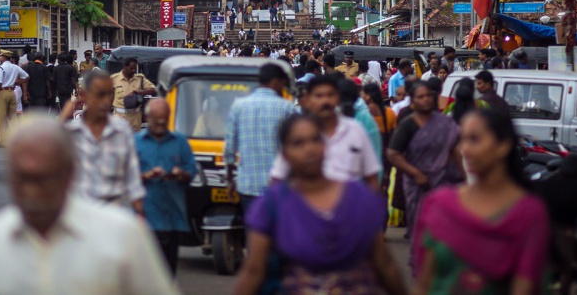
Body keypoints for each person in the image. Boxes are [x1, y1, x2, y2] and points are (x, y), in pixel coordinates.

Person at [0, 115, 178, 295]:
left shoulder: (123, 236)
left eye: (43, 178)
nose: (32, 191)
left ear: (69, 174)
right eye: (24, 178)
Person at [233, 114, 408, 295]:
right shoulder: (271, 205)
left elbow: (384, 263)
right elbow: (253, 271)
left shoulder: (359, 198)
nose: (309, 149)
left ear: (325, 145)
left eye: (315, 140)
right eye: (298, 143)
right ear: (285, 153)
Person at [413, 108, 551, 293]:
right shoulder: (439, 205)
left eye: (475, 139)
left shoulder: (528, 214)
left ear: (503, 145)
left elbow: (524, 287)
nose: (465, 149)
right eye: (462, 140)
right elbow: (423, 285)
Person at [387, 81, 464, 270]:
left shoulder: (445, 123)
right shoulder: (408, 125)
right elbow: (393, 154)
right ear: (412, 101)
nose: (426, 100)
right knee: (421, 228)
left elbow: (456, 149)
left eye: (428, 95)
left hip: (445, 181)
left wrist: (464, 177)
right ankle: (421, 265)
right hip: (418, 184)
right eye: (420, 97)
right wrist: (416, 173)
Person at [270, 75, 379, 188]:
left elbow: (371, 177)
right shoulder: (297, 133)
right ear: (308, 99)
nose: (325, 101)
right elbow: (277, 178)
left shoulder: (355, 130)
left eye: (330, 95)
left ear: (338, 98)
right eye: (319, 96)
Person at [64, 69, 145, 213]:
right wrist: (64, 116)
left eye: (110, 94)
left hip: (113, 214)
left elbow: (133, 179)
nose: (107, 101)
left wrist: (139, 214)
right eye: (100, 95)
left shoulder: (121, 131)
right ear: (84, 95)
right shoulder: (70, 133)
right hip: (78, 215)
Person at [135, 99, 197, 275]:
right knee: (145, 275)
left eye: (164, 121)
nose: (161, 125)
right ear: (148, 117)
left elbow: (191, 169)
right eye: (156, 121)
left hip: (171, 217)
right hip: (144, 219)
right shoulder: (137, 143)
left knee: (168, 273)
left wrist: (181, 173)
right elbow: (126, 176)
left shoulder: (179, 142)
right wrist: (145, 175)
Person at [225, 62, 296, 210]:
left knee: (253, 230)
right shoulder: (287, 108)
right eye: (282, 83)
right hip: (279, 186)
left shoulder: (238, 106)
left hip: (247, 185)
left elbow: (230, 150)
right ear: (276, 82)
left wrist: (230, 180)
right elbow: (295, 147)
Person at [111, 57, 157, 131]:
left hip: (135, 118)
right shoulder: (114, 79)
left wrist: (141, 92)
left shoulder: (140, 79)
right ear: (124, 67)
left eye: (135, 68)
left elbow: (154, 90)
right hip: (119, 116)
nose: (133, 70)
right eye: (131, 68)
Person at [0, 50, 28, 147]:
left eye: (0, 56)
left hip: (2, 92)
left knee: (0, 118)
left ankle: (0, 141)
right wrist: (18, 83)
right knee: (12, 118)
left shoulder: (0, 68)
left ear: (4, 57)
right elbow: (26, 77)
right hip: (12, 92)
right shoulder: (15, 67)